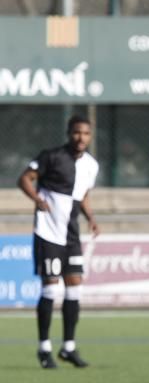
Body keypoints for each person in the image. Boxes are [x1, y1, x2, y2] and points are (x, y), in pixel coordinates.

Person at [17, 114, 99, 369]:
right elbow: (24, 179)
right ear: (69, 133)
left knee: (75, 287)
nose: (81, 137)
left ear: (90, 136)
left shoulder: (91, 165)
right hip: (48, 232)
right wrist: (37, 199)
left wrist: (91, 218)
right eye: (76, 132)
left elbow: (82, 195)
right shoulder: (51, 156)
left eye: (85, 133)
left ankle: (68, 347)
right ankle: (44, 349)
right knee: (51, 289)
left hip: (71, 234)